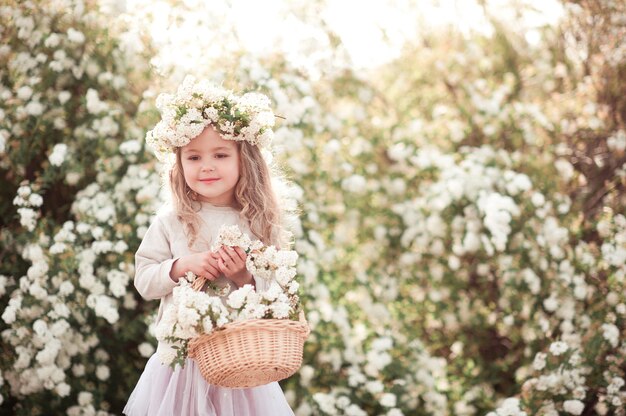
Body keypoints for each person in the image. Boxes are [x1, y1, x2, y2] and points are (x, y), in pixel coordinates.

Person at [123, 77, 295, 416]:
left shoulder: (257, 222)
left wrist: (244, 276)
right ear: (180, 164)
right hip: (181, 365)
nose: (207, 166)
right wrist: (182, 266)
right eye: (194, 157)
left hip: (239, 360)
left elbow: (275, 294)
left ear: (243, 158)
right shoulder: (172, 220)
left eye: (220, 154)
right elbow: (144, 278)